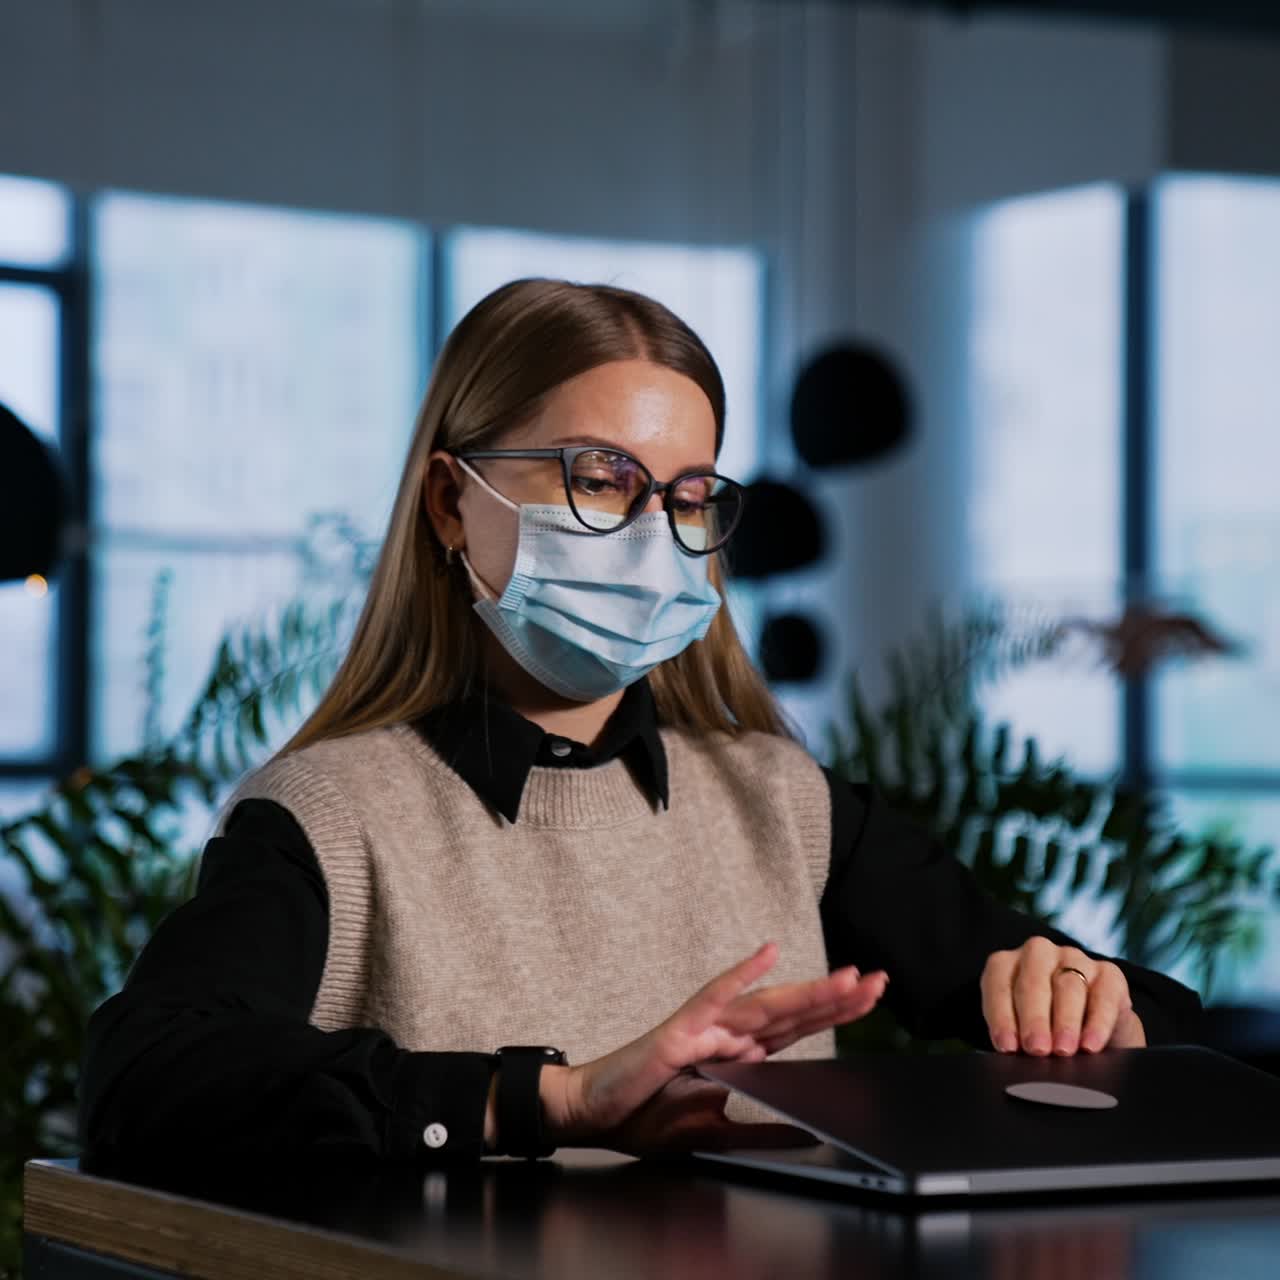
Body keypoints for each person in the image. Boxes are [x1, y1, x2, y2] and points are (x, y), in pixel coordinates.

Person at [78, 279, 1201, 1167]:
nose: (652, 530)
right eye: (599, 478)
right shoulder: (334, 817)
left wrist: (1079, 997)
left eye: (688, 492)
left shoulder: (781, 803)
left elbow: (1150, 1017)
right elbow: (144, 1076)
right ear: (449, 501)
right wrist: (555, 1098)